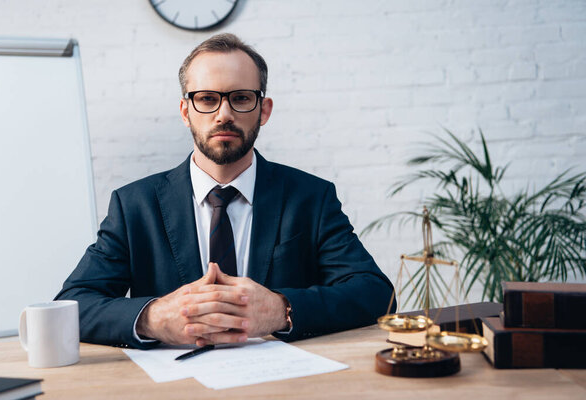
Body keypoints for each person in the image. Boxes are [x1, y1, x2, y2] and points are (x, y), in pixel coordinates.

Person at [56, 33, 395, 349]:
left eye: (241, 98)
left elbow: (376, 293)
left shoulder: (311, 198)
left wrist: (282, 309)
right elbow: (72, 306)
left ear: (264, 110)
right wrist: (152, 317)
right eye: (206, 99)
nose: (224, 114)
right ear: (185, 112)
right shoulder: (134, 206)